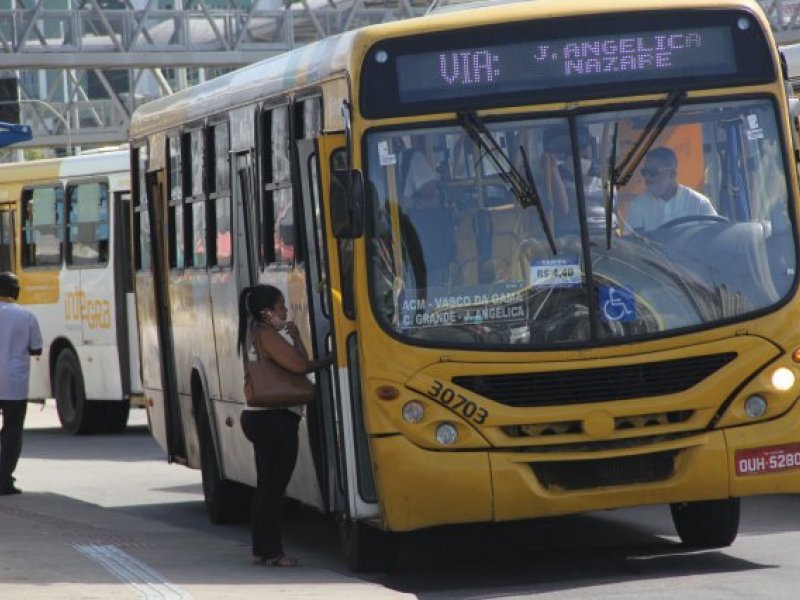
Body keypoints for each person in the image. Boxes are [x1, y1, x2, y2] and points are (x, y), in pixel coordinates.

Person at [236, 284, 332, 567]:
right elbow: (300, 367)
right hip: (275, 419)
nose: (285, 311)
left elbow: (297, 362)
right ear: (268, 312)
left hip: (259, 416)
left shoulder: (255, 332)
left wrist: (297, 337)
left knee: (266, 486)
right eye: (281, 307)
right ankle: (274, 552)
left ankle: (263, 549)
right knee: (274, 489)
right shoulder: (267, 334)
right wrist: (333, 358)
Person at [0, 272, 42, 496]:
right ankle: (4, 480)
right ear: (15, 292)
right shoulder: (26, 316)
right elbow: (36, 349)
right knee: (11, 433)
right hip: (14, 385)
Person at [623, 146, 717, 233]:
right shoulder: (637, 206)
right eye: (645, 172)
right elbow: (632, 245)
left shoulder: (699, 203)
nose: (647, 178)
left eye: (653, 172)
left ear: (672, 174)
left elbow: (714, 239)